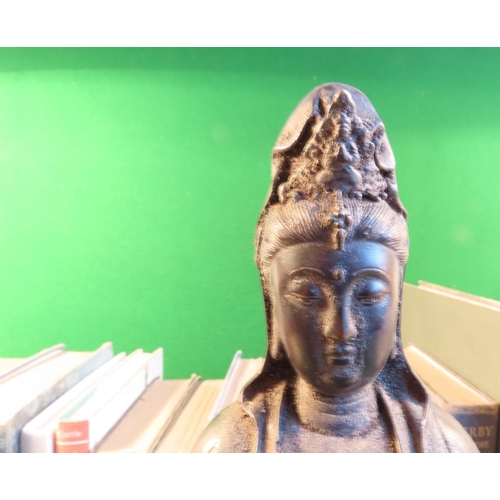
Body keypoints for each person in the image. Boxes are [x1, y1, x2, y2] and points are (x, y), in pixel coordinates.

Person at [193, 83, 478, 453]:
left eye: (369, 295)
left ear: (396, 302)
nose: (341, 329)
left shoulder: (445, 448)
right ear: (273, 302)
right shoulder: (230, 448)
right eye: (308, 294)